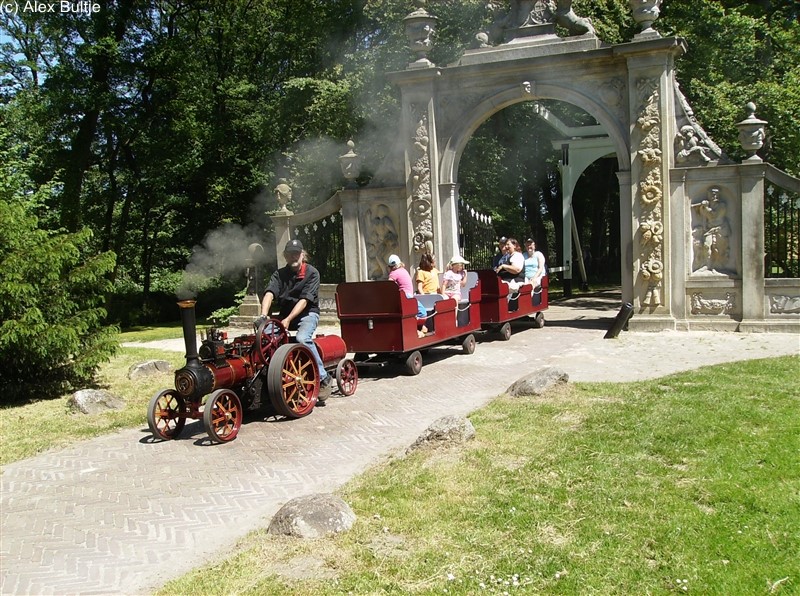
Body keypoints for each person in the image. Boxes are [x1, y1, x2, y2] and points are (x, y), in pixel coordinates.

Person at [257, 239, 331, 394]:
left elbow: (304, 301)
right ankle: (272, 375)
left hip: (307, 313)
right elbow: (269, 293)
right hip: (285, 315)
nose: (294, 257)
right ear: (285, 255)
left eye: (296, 253)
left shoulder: (312, 273)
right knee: (265, 338)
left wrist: (288, 319)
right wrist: (263, 316)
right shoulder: (279, 274)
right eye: (290, 254)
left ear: (302, 254)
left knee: (302, 339)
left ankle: (323, 378)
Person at [388, 254, 428, 337]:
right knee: (422, 312)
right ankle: (416, 328)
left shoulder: (394, 273)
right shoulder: (401, 271)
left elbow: (389, 285)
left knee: (418, 312)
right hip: (407, 296)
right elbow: (391, 284)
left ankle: (416, 328)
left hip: (406, 296)